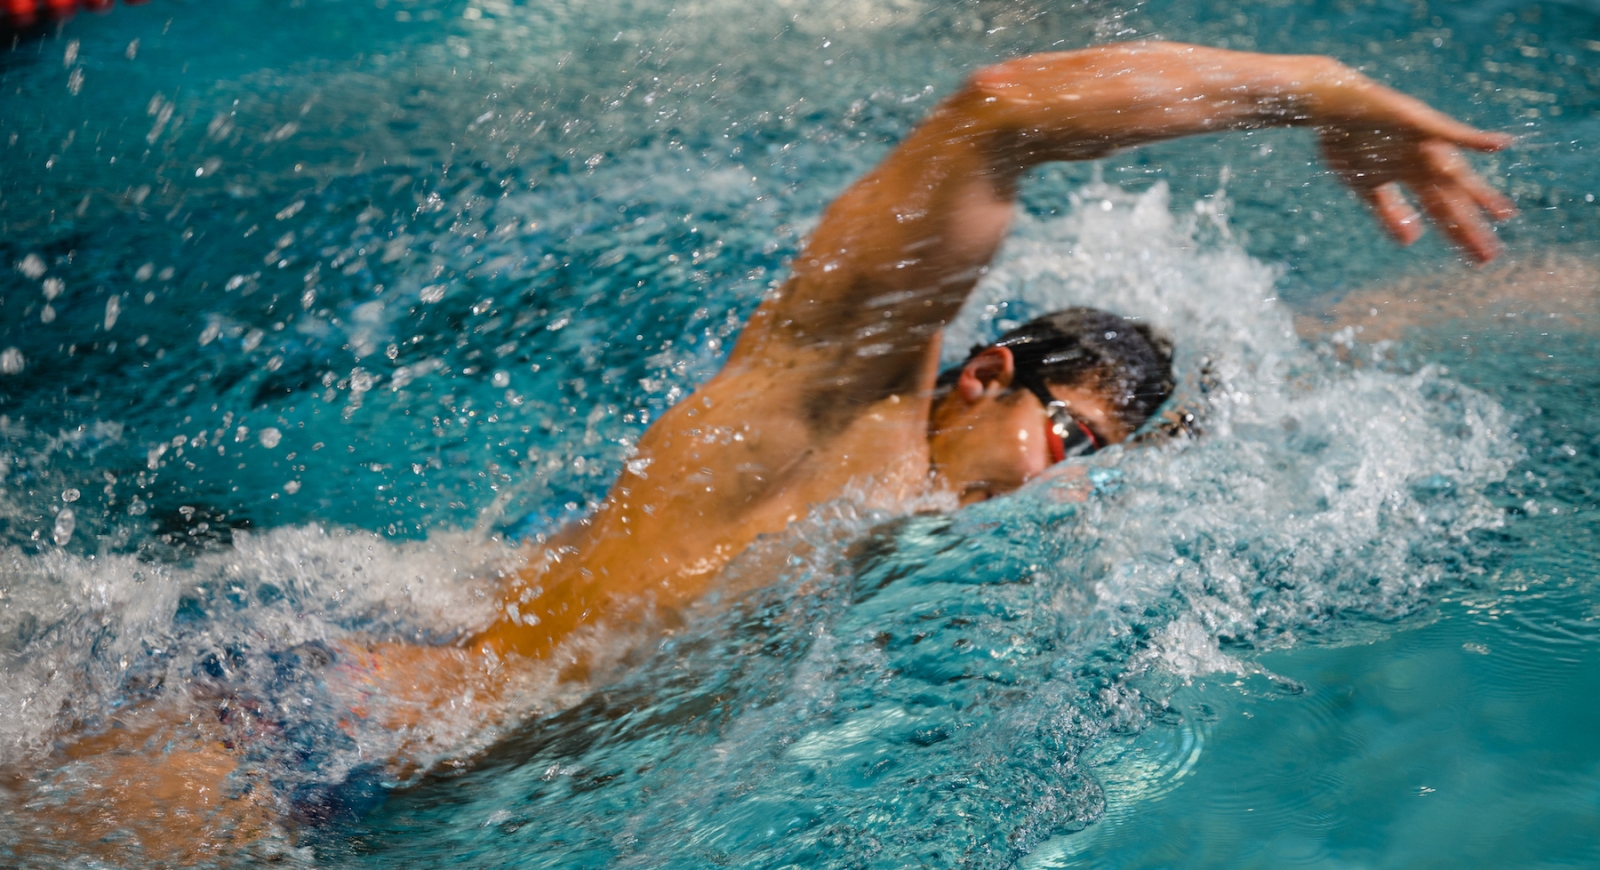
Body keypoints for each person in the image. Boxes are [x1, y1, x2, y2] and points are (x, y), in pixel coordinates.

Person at [8, 40, 1514, 862]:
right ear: (982, 370)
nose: (1071, 476)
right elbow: (992, 117)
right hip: (290, 740)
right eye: (1066, 430)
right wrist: (1312, 86)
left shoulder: (929, 522)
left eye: (1098, 456)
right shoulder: (841, 415)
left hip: (398, 750)